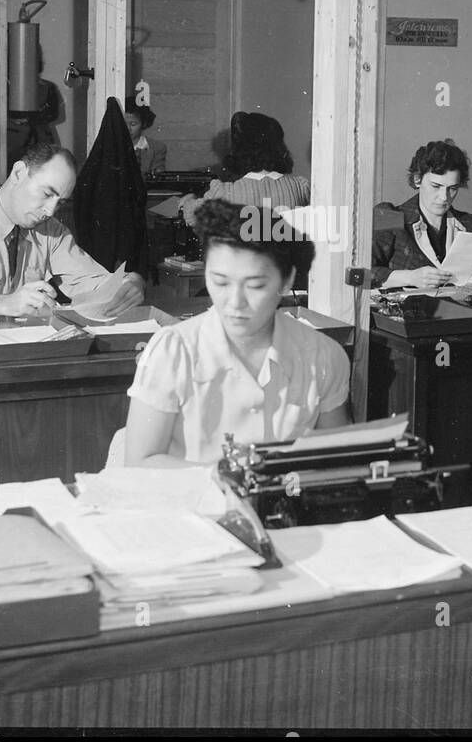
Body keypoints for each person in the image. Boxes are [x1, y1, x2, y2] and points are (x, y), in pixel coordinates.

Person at [119, 199, 350, 467]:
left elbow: (335, 460)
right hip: (191, 505)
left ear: (286, 281)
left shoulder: (322, 356)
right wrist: (229, 480)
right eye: (220, 282)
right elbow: (140, 462)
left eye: (254, 285)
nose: (234, 301)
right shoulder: (174, 351)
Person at [0, 142, 145, 317]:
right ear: (18, 172)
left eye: (60, 202)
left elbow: (92, 282)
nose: (51, 210)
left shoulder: (52, 231)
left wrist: (129, 283)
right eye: (47, 194)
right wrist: (0, 303)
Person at [372, 140, 472, 289]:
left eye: (453, 188)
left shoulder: (469, 224)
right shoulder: (388, 216)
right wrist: (409, 277)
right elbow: (364, 271)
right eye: (436, 186)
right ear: (417, 180)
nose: (444, 197)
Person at [180, 112, 310, 222]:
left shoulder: (224, 193)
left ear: (239, 150)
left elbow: (191, 214)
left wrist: (189, 199)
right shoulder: (300, 187)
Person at [125, 98, 167, 178]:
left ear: (144, 124)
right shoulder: (111, 146)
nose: (128, 128)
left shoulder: (157, 148)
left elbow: (157, 177)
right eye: (123, 123)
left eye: (133, 124)